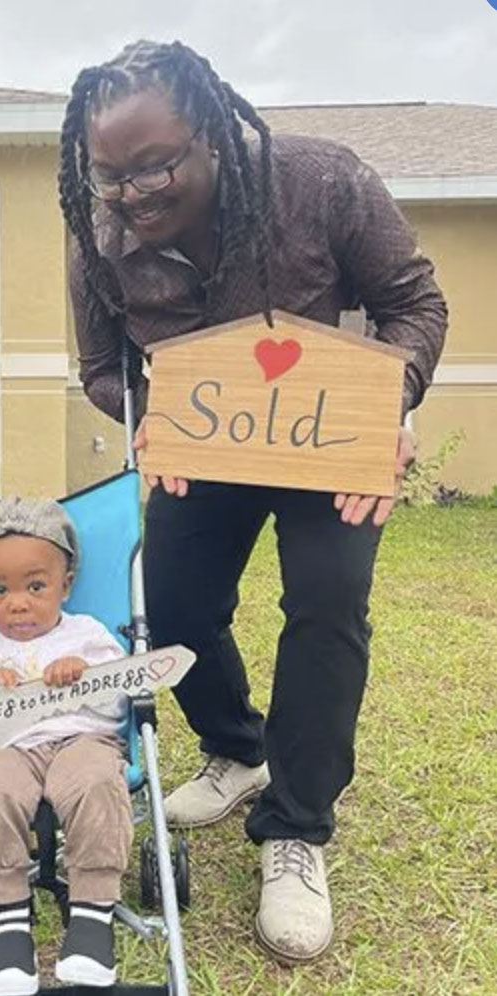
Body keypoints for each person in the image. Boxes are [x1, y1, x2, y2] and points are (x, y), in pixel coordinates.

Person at [58, 39, 447, 963]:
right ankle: (239, 751)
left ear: (217, 137)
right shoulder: (95, 229)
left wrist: (389, 406)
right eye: (111, 176)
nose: (133, 194)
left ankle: (295, 831)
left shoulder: (321, 183)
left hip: (328, 442)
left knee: (325, 607)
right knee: (179, 610)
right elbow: (102, 365)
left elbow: (415, 306)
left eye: (155, 165)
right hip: (205, 449)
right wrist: (148, 417)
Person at [0, 497, 132, 995]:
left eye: (36, 587)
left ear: (65, 584)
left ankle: (92, 915)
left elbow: (120, 703)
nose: (18, 603)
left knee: (97, 783)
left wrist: (84, 676)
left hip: (82, 738)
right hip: (9, 749)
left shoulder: (87, 635)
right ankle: (8, 922)